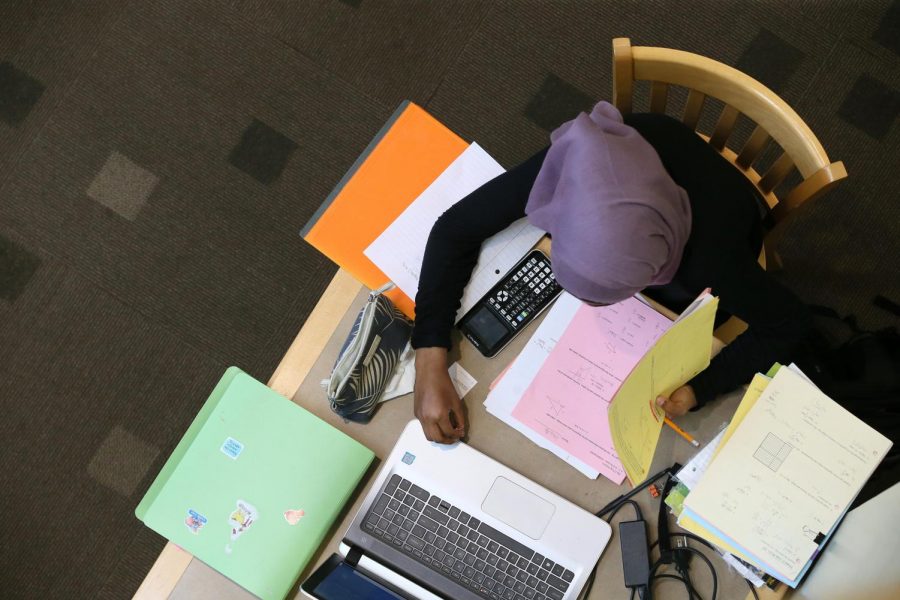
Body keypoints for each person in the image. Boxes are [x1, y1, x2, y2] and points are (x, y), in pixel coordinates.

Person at [411, 101, 811, 444]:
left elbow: (789, 324)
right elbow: (454, 228)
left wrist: (698, 389)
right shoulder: (584, 161)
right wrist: (429, 359)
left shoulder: (713, 262)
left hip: (724, 220)